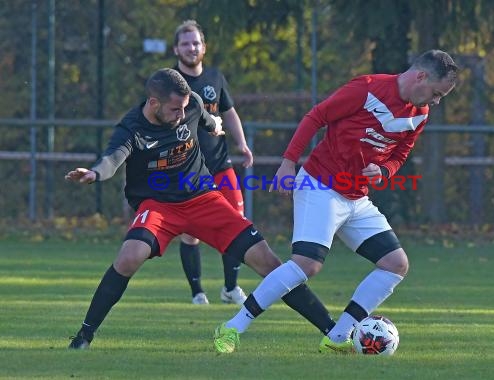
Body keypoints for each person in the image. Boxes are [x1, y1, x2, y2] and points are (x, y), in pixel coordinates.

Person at [66, 68, 336, 349]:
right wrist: (95, 174)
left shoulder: (191, 103)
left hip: (204, 199)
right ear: (153, 103)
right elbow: (112, 159)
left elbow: (208, 120)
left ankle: (333, 331)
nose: (181, 115)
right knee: (129, 257)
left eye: (184, 108)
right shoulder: (131, 127)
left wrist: (215, 126)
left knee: (269, 263)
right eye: (174, 109)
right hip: (158, 207)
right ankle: (83, 336)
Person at [213, 49, 458, 354]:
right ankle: (233, 326)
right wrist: (288, 162)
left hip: (356, 198)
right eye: (436, 93)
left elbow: (401, 153)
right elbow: (316, 117)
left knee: (395, 264)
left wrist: (384, 170)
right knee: (307, 264)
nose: (436, 101)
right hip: (320, 185)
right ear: (421, 76)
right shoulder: (367, 88)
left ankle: (338, 338)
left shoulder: (419, 114)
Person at [173, 20, 252, 305]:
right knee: (190, 233)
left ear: (203, 47)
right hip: (187, 171)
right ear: (176, 49)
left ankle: (230, 289)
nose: (191, 48)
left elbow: (229, 113)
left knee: (237, 224)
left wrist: (241, 142)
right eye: (185, 43)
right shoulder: (170, 82)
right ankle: (197, 293)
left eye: (195, 43)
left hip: (221, 165)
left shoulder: (216, 77)